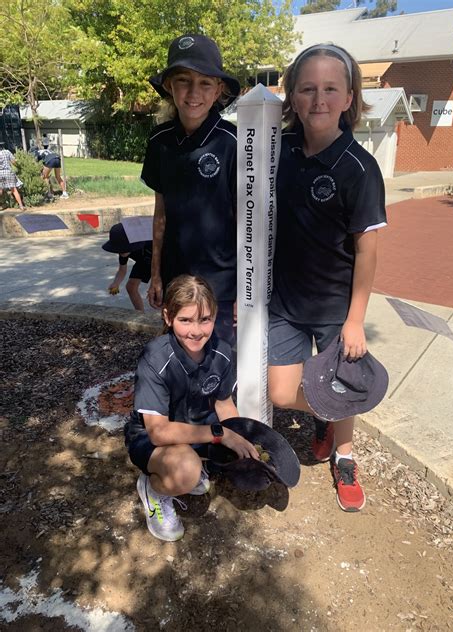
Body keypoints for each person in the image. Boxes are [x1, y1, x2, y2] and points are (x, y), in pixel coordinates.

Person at [268, 44, 387, 512]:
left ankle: (344, 454)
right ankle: (326, 411)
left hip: (336, 309)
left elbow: (368, 251)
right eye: (308, 88)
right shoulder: (280, 151)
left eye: (330, 89)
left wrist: (356, 320)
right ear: (293, 97)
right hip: (284, 305)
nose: (319, 98)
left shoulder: (359, 169)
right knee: (282, 392)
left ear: (349, 97)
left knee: (343, 386)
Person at [125, 275, 259, 541]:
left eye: (204, 319)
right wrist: (221, 434)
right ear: (167, 317)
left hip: (198, 426)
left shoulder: (221, 353)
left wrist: (239, 437)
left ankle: (195, 464)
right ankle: (154, 489)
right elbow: (159, 433)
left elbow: (223, 403)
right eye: (185, 320)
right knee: (186, 471)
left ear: (215, 316)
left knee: (237, 452)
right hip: (151, 437)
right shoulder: (155, 358)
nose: (196, 331)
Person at [141, 34, 240, 345]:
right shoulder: (159, 142)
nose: (194, 92)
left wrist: (244, 290)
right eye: (183, 81)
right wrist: (156, 274)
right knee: (179, 367)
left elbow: (247, 221)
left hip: (222, 287)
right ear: (170, 86)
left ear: (219, 90)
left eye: (205, 83)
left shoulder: (233, 142)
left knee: (219, 371)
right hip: (175, 283)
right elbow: (160, 216)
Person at [102, 222, 152, 311]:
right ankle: (140, 314)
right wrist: (116, 283)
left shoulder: (149, 243)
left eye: (123, 249)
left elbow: (161, 265)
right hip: (143, 262)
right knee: (130, 287)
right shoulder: (123, 252)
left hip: (161, 259)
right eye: (118, 249)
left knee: (162, 291)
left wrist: (154, 284)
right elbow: (122, 270)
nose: (121, 252)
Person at [0, 141, 25, 210]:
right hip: (8, 172)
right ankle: (21, 206)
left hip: (0, 173)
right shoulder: (7, 152)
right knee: (14, 190)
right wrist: (19, 166)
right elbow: (13, 162)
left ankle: (2, 205)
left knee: (0, 190)